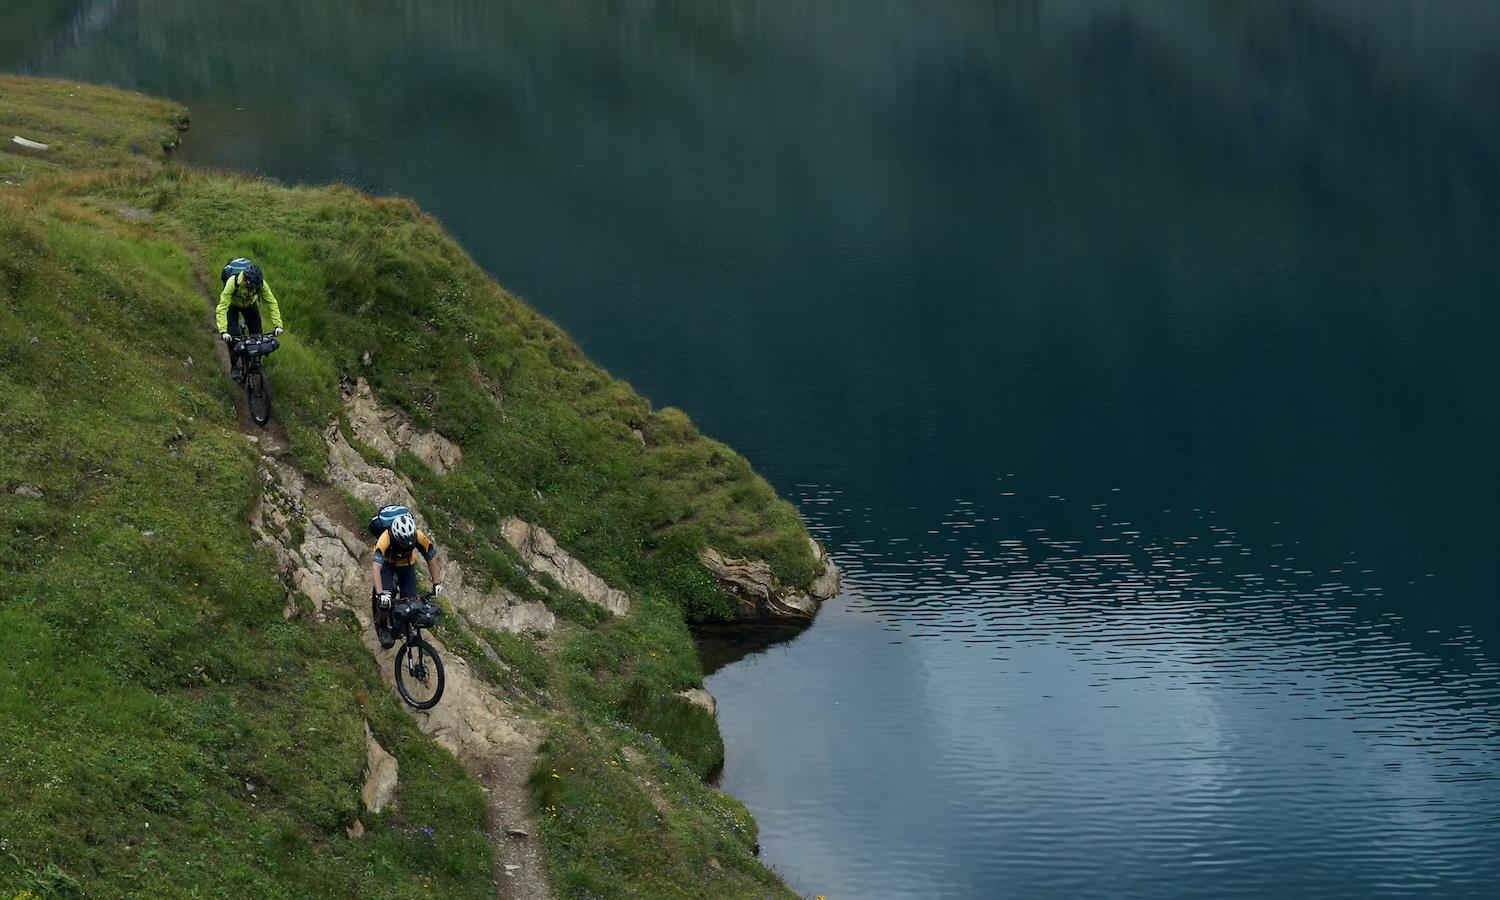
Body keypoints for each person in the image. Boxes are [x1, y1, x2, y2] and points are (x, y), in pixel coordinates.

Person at [370, 512, 443, 649]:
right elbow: (376, 568)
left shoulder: (418, 536)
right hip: (387, 563)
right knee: (385, 599)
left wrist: (436, 583)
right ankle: (383, 627)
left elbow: (431, 557)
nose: (406, 547)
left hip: (407, 564)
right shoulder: (385, 538)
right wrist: (380, 594)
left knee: (411, 602)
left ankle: (403, 626)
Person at [216, 261, 284, 380]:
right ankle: (235, 365)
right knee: (233, 338)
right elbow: (222, 306)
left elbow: (271, 302)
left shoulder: (260, 284)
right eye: (252, 286)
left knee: (258, 336)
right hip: (232, 305)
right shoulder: (232, 282)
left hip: (250, 305)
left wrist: (278, 325)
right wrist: (223, 331)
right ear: (246, 280)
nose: (254, 288)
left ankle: (255, 362)